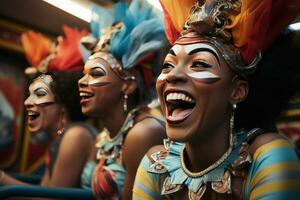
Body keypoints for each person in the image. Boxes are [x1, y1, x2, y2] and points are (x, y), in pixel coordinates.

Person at [133, 0, 300, 199]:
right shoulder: (155, 164)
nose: (172, 75)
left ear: (237, 91)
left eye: (199, 64)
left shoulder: (268, 157)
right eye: (168, 65)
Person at [78, 0, 167, 199]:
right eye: (84, 74)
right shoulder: (104, 137)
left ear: (128, 84)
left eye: (96, 74)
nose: (82, 82)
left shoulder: (144, 133)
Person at [0, 26, 97, 188]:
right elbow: (45, 189)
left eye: (39, 94)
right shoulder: (59, 139)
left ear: (62, 106)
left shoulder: (76, 136)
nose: (27, 102)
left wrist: (2, 178)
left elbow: (50, 198)